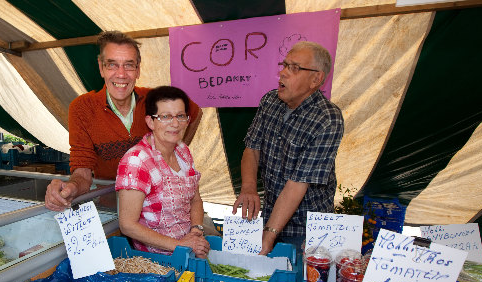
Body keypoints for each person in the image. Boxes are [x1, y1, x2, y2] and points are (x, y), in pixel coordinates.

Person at [45, 31, 202, 211]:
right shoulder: (82, 108)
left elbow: (195, 112)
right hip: (112, 208)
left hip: (160, 207)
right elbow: (83, 171)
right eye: (112, 65)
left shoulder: (156, 100)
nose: (121, 74)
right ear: (101, 67)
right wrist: (70, 188)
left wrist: (175, 149)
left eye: (129, 65)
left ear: (138, 69)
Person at [232, 41, 344, 255]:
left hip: (305, 227)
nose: (282, 73)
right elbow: (252, 149)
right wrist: (248, 188)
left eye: (294, 68)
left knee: (295, 279)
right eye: (284, 65)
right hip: (270, 213)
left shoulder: (327, 119)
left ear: (316, 79)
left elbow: (297, 184)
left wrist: (269, 235)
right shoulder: (270, 101)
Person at [115, 86, 210, 258]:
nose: (175, 124)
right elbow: (127, 225)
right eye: (165, 117)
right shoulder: (137, 160)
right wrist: (179, 245)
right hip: (155, 259)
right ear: (150, 122)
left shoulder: (183, 151)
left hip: (188, 248)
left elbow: (195, 199)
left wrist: (197, 230)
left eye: (181, 116)